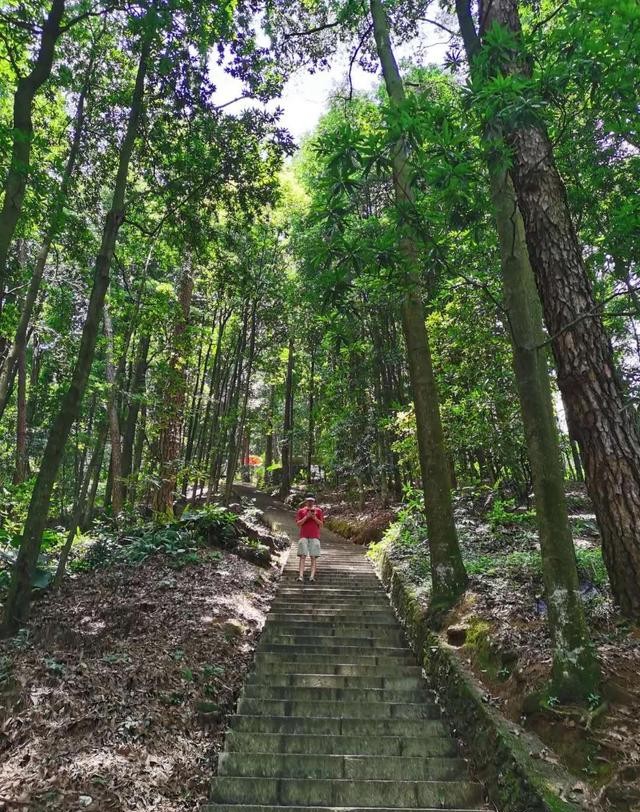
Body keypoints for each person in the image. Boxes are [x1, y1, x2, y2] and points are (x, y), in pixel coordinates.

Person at [295, 494, 324, 582]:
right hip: (304, 535)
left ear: (314, 501)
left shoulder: (318, 511)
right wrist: (306, 517)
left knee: (313, 557)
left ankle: (312, 577)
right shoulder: (301, 511)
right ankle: (300, 576)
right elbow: (298, 524)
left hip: (315, 536)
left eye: (312, 501)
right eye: (308, 501)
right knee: (302, 556)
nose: (310, 502)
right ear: (306, 501)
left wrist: (314, 518)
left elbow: (321, 525)